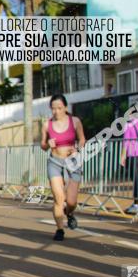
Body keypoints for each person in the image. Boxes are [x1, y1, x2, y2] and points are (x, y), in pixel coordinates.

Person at [40, 94, 86, 241]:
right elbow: (42, 145)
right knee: (59, 198)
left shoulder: (75, 121)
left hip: (73, 161)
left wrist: (78, 148)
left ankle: (69, 213)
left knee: (71, 201)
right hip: (55, 161)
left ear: (65, 107)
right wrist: (48, 144)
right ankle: (60, 230)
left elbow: (82, 139)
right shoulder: (47, 124)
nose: (56, 112)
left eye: (59, 108)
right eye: (53, 109)